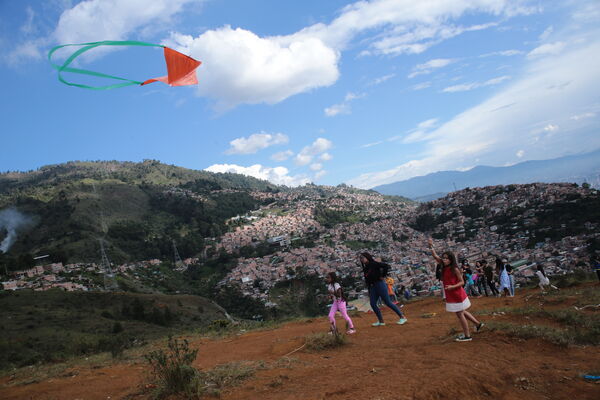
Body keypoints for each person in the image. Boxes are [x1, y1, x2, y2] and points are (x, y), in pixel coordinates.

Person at [428, 238, 483, 342]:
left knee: (459, 314)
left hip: (456, 293)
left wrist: (452, 287)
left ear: (451, 259)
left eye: (446, 258)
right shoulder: (444, 266)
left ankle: (467, 336)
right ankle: (477, 324)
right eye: (443, 258)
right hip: (452, 293)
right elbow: (435, 256)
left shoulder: (455, 269)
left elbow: (462, 282)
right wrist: (431, 246)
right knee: (462, 312)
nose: (444, 260)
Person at [359, 252, 407, 326]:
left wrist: (383, 276)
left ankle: (402, 317)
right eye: (360, 258)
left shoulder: (374, 264)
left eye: (362, 257)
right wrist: (369, 290)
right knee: (373, 304)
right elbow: (367, 280)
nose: (361, 259)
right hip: (372, 287)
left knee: (388, 302)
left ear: (367, 257)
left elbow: (386, 266)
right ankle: (381, 321)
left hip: (380, 284)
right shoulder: (366, 268)